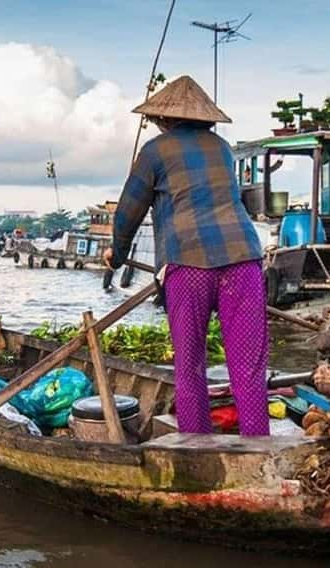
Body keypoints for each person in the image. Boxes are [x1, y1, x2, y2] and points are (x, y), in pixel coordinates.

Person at [103, 75, 269, 437]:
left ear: (163, 119)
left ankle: (197, 443)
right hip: (243, 260)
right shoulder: (223, 148)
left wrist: (116, 256)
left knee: (190, 364)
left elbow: (129, 210)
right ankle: (258, 444)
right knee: (248, 365)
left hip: (189, 264)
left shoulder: (154, 150)